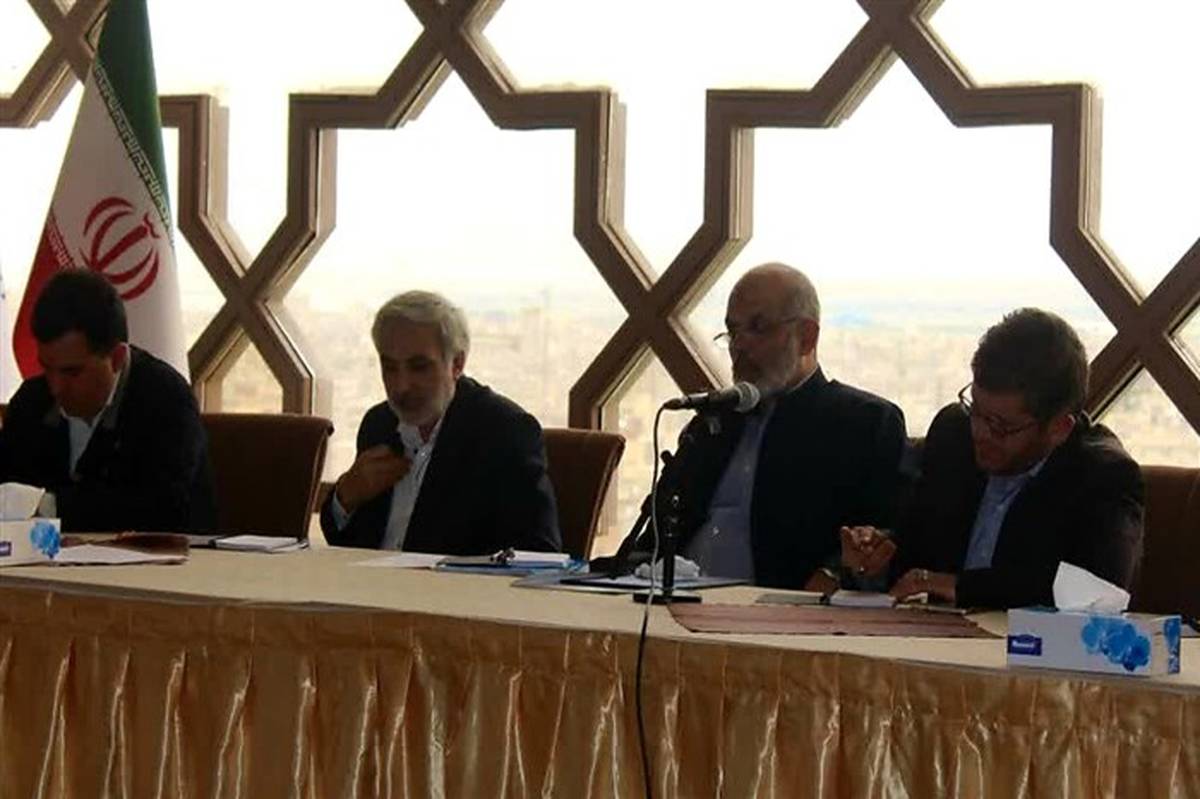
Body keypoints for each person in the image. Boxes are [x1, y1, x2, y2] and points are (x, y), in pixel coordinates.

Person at [612, 263, 907, 590]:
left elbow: (882, 538)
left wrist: (835, 573)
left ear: (807, 337)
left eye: (758, 328)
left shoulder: (864, 423)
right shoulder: (713, 423)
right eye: (733, 331)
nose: (739, 345)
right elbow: (655, 537)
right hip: (676, 601)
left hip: (778, 607)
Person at [841, 308, 1144, 609]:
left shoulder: (1104, 475)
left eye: (1001, 426)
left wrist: (962, 588)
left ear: (1059, 428)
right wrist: (876, 557)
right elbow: (916, 553)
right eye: (975, 410)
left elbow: (1098, 594)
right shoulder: (953, 433)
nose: (980, 433)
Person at [319, 290, 561, 554]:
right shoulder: (379, 424)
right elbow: (348, 542)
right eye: (389, 367)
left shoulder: (504, 433)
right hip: (366, 580)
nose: (401, 386)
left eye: (419, 367)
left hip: (454, 582)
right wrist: (345, 498)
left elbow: (538, 552)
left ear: (457, 364)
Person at [0, 269, 216, 532]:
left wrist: (48, 506)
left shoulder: (166, 400)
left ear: (116, 358)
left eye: (72, 372)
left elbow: (160, 505)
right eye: (47, 368)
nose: (55, 387)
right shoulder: (32, 401)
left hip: (167, 556)